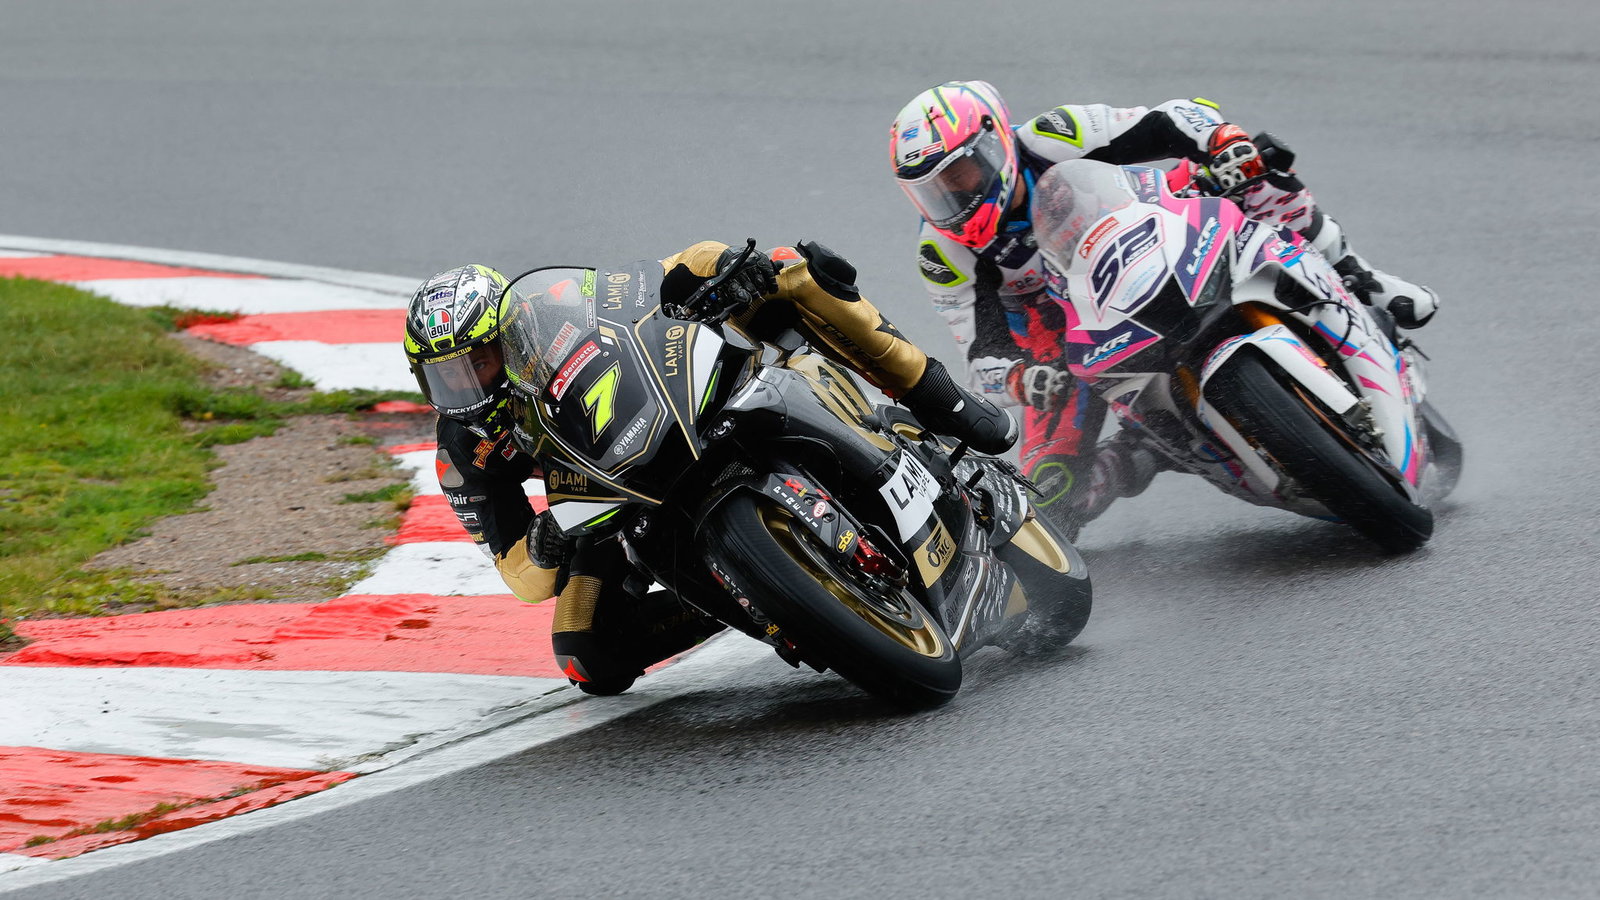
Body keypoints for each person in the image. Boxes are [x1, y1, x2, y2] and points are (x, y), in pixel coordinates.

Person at [402, 243, 1015, 693]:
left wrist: (723, 270)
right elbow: (521, 578)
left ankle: (943, 400)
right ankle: (758, 590)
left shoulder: (554, 308)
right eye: (445, 377)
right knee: (586, 655)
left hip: (686, 401)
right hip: (612, 495)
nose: (466, 386)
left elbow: (657, 276)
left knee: (790, 270)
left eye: (476, 363)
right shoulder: (463, 450)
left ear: (506, 336)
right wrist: (545, 538)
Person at [889, 80, 1441, 535]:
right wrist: (1020, 379)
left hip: (1147, 231)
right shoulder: (944, 252)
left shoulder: (1056, 134)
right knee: (1053, 496)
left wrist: (1224, 142)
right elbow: (978, 354)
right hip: (1064, 333)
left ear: (993, 143)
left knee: (1259, 165)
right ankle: (1149, 447)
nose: (952, 198)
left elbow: (1174, 117)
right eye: (931, 191)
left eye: (958, 176)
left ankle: (1360, 277)